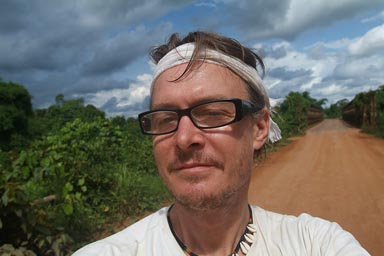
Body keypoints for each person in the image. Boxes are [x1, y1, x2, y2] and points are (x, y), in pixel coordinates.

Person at [73, 31, 369, 256]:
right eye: (165, 119)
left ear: (259, 128)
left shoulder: (317, 244)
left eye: (213, 113)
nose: (185, 138)